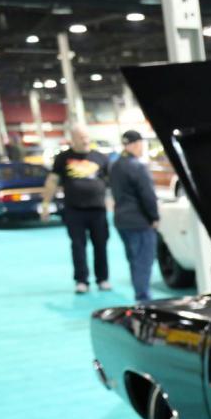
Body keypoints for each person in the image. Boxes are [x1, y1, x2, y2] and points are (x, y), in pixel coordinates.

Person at [41, 125, 112, 294]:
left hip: (98, 210)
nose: (85, 140)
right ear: (72, 139)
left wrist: (113, 201)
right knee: (78, 246)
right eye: (81, 137)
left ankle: (102, 278)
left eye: (87, 137)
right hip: (74, 210)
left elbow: (112, 181)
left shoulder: (100, 157)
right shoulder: (63, 158)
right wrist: (45, 205)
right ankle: (81, 280)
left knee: (101, 245)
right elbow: (52, 181)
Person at [108, 130, 161, 303]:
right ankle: (143, 299)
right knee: (143, 261)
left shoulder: (115, 165)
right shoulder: (137, 166)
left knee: (133, 259)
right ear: (136, 144)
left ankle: (140, 296)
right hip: (139, 221)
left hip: (121, 220)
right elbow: (147, 195)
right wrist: (154, 217)